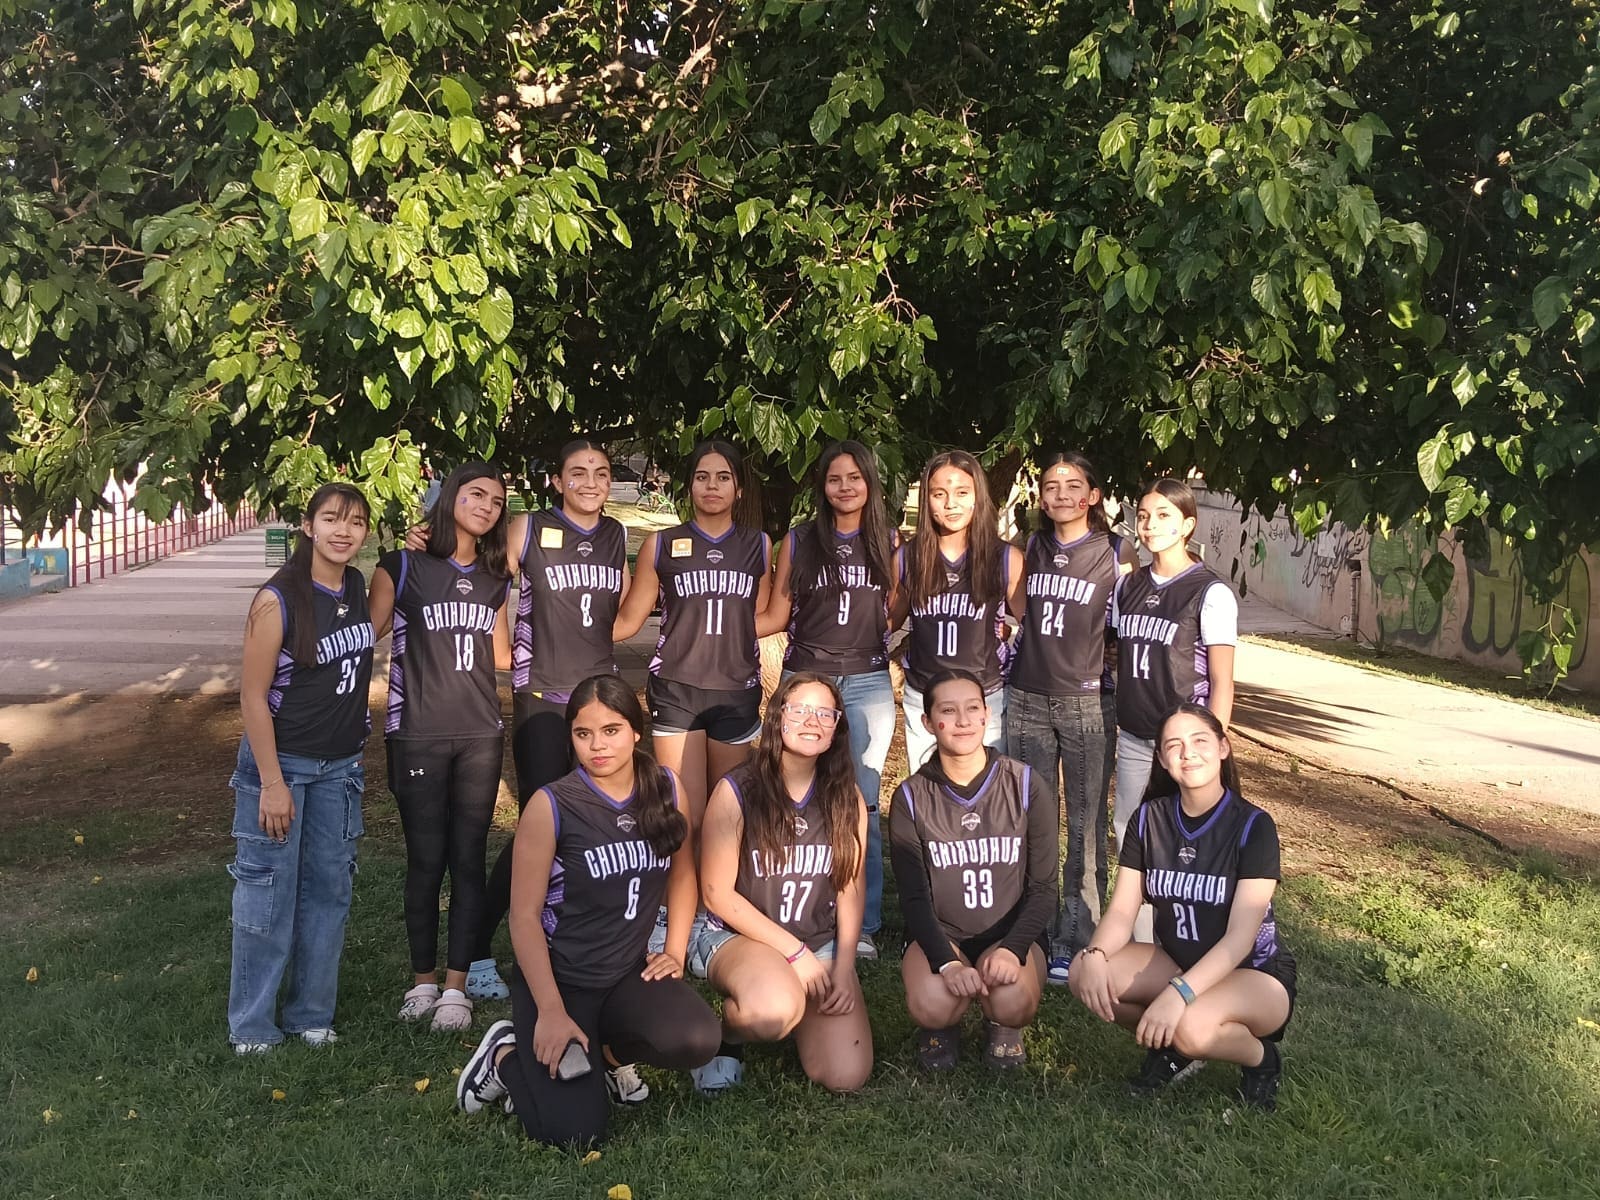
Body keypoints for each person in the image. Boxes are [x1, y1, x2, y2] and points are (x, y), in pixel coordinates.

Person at [454, 676, 720, 1146]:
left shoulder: (665, 786)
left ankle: (609, 1059)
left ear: (636, 731)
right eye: (583, 734)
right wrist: (552, 1012)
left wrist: (675, 950)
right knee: (575, 1131)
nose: (597, 745)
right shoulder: (550, 805)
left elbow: (682, 873)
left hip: (625, 976)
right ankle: (504, 1056)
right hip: (561, 982)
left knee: (696, 1038)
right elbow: (523, 917)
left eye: (611, 730)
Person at [1068, 703, 1294, 1110]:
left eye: (1200, 741)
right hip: (1178, 960)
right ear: (1161, 758)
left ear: (1223, 748)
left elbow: (1241, 937)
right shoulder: (1148, 819)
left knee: (1190, 1025)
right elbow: (1122, 911)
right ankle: (1173, 1047)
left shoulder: (1253, 825)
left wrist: (1179, 993)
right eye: (1174, 745)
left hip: (1253, 975)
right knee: (1085, 973)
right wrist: (1097, 953)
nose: (1188, 753)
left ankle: (1261, 1059)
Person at [228, 483, 375, 1053]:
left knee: (329, 892)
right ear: (308, 526)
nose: (344, 531)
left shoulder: (357, 587)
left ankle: (310, 1015)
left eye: (356, 522)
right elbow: (251, 696)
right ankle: (253, 1026)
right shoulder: (278, 599)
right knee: (268, 893)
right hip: (282, 764)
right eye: (333, 519)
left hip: (341, 767)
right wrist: (271, 782)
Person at [368, 462, 514, 1034]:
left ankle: (457, 988)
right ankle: (422, 982)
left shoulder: (496, 576)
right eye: (476, 494)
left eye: (497, 501)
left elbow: (501, 655)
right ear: (450, 496)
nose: (486, 506)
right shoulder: (402, 566)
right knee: (426, 860)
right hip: (417, 733)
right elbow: (362, 634)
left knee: (469, 860)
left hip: (480, 732)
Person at [689, 674, 873, 1094]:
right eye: (800, 709)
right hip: (739, 937)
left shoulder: (846, 798)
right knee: (772, 1010)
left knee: (845, 1075)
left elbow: (850, 887)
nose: (813, 721)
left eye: (824, 712)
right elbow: (717, 894)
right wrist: (795, 954)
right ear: (777, 718)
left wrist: (842, 968)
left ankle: (798, 1009)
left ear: (836, 726)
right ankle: (728, 1038)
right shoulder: (738, 789)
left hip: (818, 939)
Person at [758, 440, 895, 959]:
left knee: (862, 800)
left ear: (869, 484)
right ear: (822, 486)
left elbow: (897, 610)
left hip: (865, 681)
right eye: (835, 479)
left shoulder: (888, 539)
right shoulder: (798, 540)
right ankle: (790, 906)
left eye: (854, 478)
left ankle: (864, 922)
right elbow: (776, 613)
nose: (844, 487)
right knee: (792, 791)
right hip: (806, 676)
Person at [1004, 452, 1135, 985]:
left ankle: (1076, 938)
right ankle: (1027, 932)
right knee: (1027, 820)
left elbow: (1131, 623)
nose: (1060, 493)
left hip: (1086, 703)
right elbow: (1013, 611)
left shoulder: (1116, 549)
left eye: (1073, 484)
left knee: (1083, 826)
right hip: (1027, 697)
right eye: (1051, 485)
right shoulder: (1027, 548)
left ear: (1093, 495)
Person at [889, 669, 1058, 1070]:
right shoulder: (911, 796)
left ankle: (1002, 1024)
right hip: (944, 935)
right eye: (948, 710)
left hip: (1008, 932)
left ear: (986, 715)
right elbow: (914, 896)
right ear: (928, 722)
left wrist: (1013, 947)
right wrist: (945, 960)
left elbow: (1045, 887)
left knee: (1011, 1000)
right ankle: (941, 1026)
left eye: (972, 709)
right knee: (933, 1004)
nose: (962, 721)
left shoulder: (1025, 783)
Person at [613, 440, 772, 841]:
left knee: (728, 815)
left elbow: (764, 617)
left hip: (735, 689)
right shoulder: (661, 545)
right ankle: (681, 905)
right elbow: (630, 619)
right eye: (702, 477)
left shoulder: (759, 545)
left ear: (739, 489)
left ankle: (717, 901)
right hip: (677, 688)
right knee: (684, 815)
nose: (712, 486)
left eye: (723, 477)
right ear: (689, 487)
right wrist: (566, 635)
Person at [1111, 478, 1237, 851]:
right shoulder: (1126, 587)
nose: (1149, 525)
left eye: (1163, 515)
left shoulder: (1209, 592)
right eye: (1144, 516)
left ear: (1187, 525)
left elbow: (1222, 680)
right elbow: (1118, 654)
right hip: (1135, 735)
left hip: (1186, 739)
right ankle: (1137, 912)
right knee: (1131, 832)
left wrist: (1212, 742)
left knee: (1190, 835)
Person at [889, 450, 1024, 772]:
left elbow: (1034, 627)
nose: (951, 504)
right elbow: (886, 621)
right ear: (927, 500)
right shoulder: (908, 557)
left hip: (984, 696)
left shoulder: (1004, 558)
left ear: (978, 496)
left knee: (986, 794)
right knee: (929, 790)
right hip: (924, 694)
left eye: (962, 493)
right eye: (939, 494)